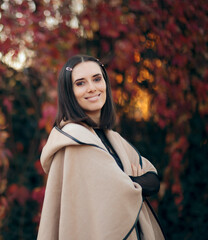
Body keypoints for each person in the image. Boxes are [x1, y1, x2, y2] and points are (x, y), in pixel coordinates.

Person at [37, 55, 165, 240]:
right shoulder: (75, 140)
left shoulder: (112, 138)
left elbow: (153, 181)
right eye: (80, 83)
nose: (92, 88)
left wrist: (125, 183)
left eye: (97, 79)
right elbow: (117, 193)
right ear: (69, 92)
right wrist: (132, 181)